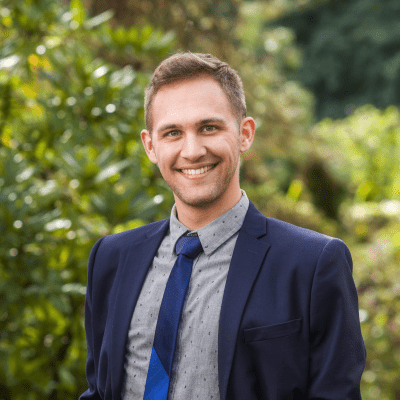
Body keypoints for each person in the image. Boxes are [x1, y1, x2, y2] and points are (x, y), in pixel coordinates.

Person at [79, 52, 366, 400]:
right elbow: (99, 390)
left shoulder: (314, 263)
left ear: (244, 134)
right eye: (172, 132)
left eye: (209, 127)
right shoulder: (111, 258)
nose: (193, 150)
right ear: (150, 146)